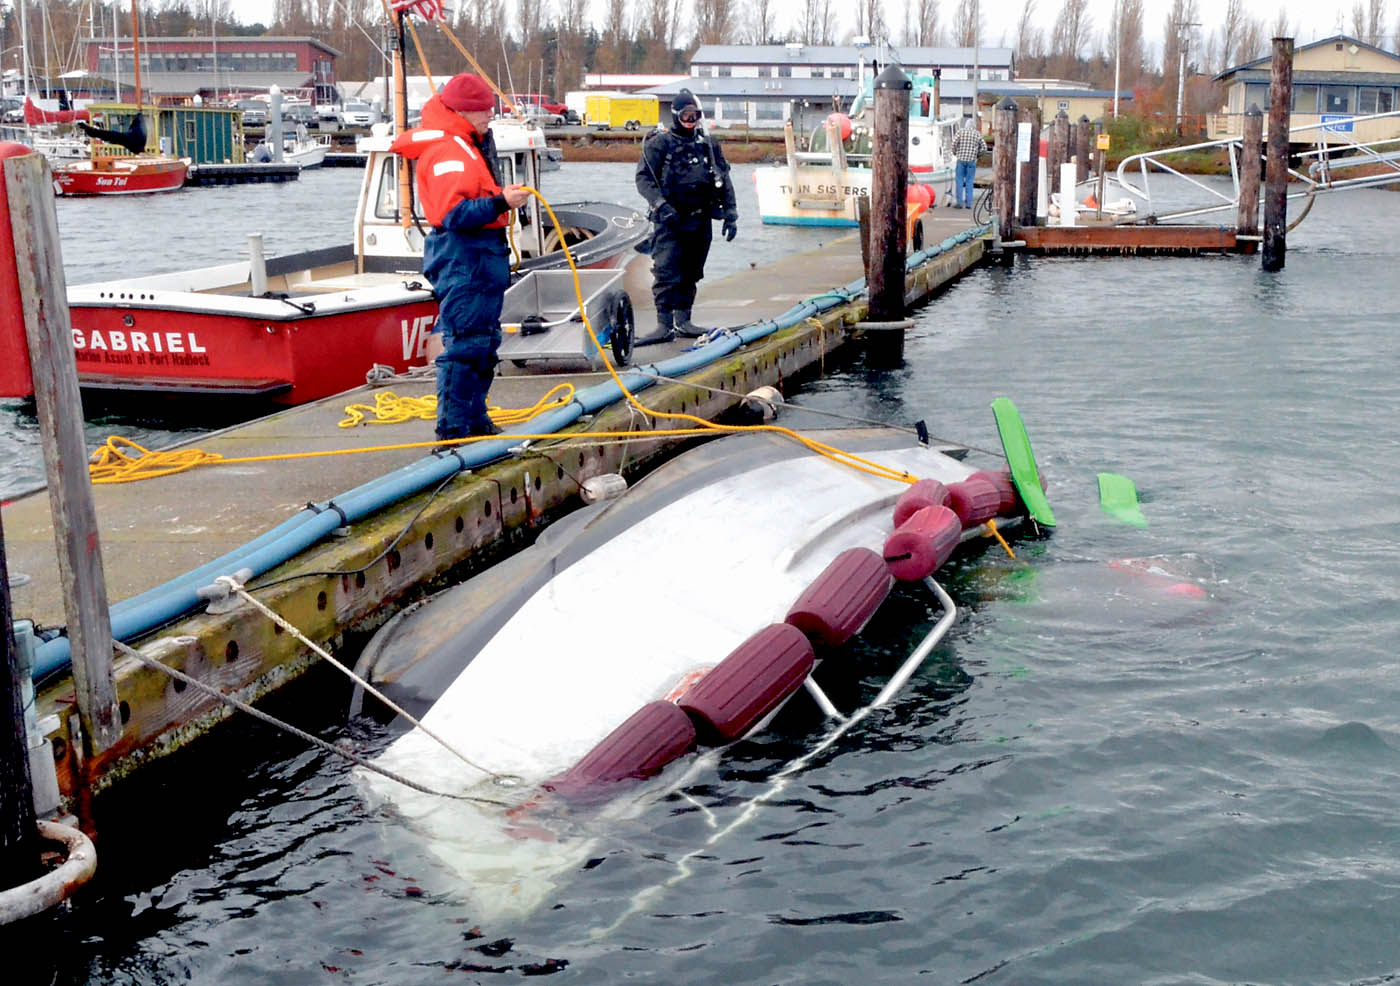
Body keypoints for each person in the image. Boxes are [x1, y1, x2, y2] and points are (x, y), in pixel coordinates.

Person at [390, 73, 530, 441]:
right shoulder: (448, 152)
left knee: (484, 342)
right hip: (463, 256)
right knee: (466, 343)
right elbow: (454, 215)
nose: (488, 117)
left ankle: (475, 418)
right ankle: (452, 431)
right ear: (463, 112)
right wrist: (501, 202)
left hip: (481, 257)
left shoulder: (465, 144)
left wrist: (499, 197)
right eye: (483, 111)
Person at [634, 89, 738, 341]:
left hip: (700, 219)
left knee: (692, 271)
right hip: (669, 220)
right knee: (667, 271)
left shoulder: (709, 146)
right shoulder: (659, 144)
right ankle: (664, 323)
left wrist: (731, 213)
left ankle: (684, 320)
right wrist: (660, 205)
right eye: (686, 115)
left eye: (695, 115)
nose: (691, 120)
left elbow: (723, 178)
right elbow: (643, 179)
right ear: (675, 115)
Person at [951, 115, 987, 209]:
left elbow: (954, 144)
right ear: (974, 126)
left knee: (959, 181)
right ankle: (968, 204)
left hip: (961, 160)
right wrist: (977, 155)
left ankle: (959, 203)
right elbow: (984, 148)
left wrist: (955, 153)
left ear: (965, 125)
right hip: (972, 161)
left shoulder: (960, 132)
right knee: (969, 181)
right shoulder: (977, 134)